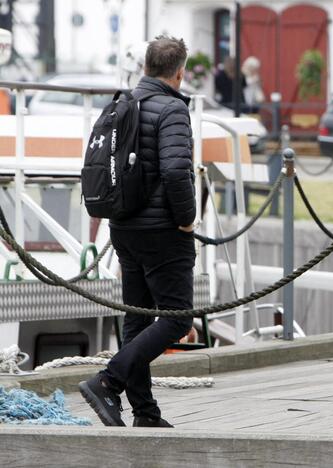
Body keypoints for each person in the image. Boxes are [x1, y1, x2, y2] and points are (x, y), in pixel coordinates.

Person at [79, 35, 197, 429]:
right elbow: (177, 170)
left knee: (137, 320)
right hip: (163, 230)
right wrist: (187, 219)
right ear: (179, 73)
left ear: (146, 67)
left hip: (123, 227)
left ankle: (145, 413)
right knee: (178, 318)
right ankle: (108, 381)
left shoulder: (123, 103)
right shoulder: (173, 109)